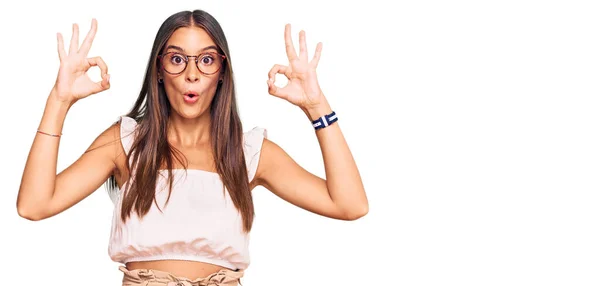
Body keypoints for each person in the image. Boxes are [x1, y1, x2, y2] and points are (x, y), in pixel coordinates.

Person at [16, 9, 368, 286]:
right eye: (177, 59)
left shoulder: (248, 152)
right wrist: (59, 101)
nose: (192, 74)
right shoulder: (125, 142)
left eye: (207, 59)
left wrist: (316, 105)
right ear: (159, 69)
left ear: (221, 72)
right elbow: (34, 204)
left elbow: (350, 204)